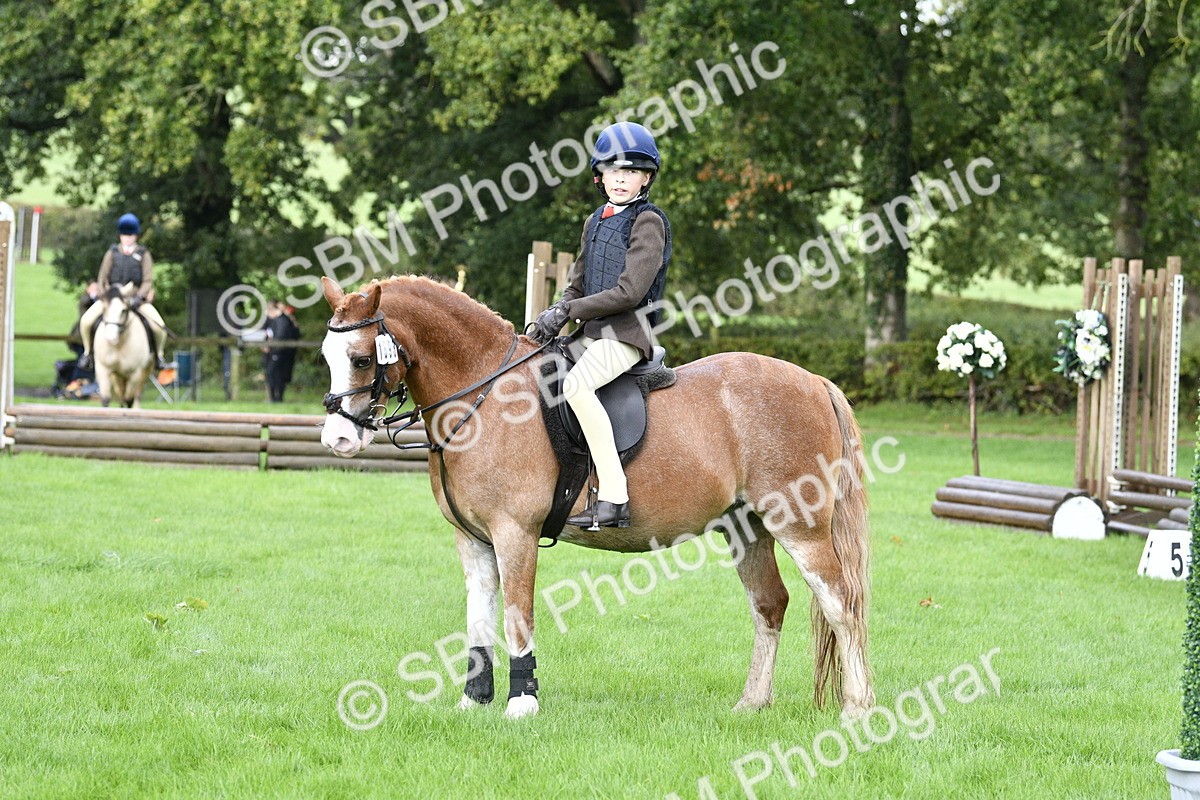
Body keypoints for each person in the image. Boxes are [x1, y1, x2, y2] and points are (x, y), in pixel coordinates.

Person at [530, 121, 671, 529]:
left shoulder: (648, 222)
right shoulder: (594, 221)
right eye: (613, 170)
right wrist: (554, 314)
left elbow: (629, 292)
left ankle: (614, 496)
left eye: (631, 171)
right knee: (534, 374)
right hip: (589, 335)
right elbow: (576, 282)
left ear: (646, 178)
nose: (621, 178)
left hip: (627, 335)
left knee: (575, 386)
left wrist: (570, 312)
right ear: (600, 176)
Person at [78, 213, 168, 369]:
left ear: (136, 236)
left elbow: (147, 280)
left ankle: (159, 356)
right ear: (120, 235)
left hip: (135, 299)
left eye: (131, 235)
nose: (127, 238)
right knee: (86, 321)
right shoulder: (112, 253)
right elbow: (102, 278)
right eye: (124, 235)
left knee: (159, 326)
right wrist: (107, 295)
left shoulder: (143, 254)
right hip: (111, 299)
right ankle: (88, 353)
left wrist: (139, 297)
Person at [262, 301, 301, 402]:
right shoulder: (275, 321)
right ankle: (273, 398)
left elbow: (281, 336)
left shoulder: (283, 321)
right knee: (271, 374)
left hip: (280, 351)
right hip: (274, 351)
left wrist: (271, 345)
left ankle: (277, 398)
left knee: (277, 375)